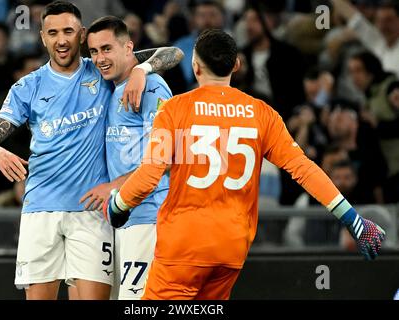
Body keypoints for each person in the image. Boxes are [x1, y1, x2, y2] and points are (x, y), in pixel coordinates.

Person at [104, 29, 386, 300]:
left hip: (185, 245)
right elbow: (304, 169)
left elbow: (151, 174)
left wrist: (118, 205)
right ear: (236, 65)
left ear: (196, 66)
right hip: (232, 246)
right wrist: (353, 220)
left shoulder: (174, 109)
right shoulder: (262, 114)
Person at [0, 1, 182, 300]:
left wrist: (143, 69)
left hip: (91, 212)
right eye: (53, 32)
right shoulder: (27, 87)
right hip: (40, 208)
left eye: (69, 31)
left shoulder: (101, 68)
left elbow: (173, 53)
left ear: (81, 35)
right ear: (42, 36)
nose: (61, 39)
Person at [78, 16, 174, 300]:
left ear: (128, 47)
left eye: (106, 49)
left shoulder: (152, 87)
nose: (99, 58)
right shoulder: (112, 87)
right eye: (93, 51)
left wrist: (115, 186)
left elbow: (165, 158)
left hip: (149, 214)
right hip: (122, 217)